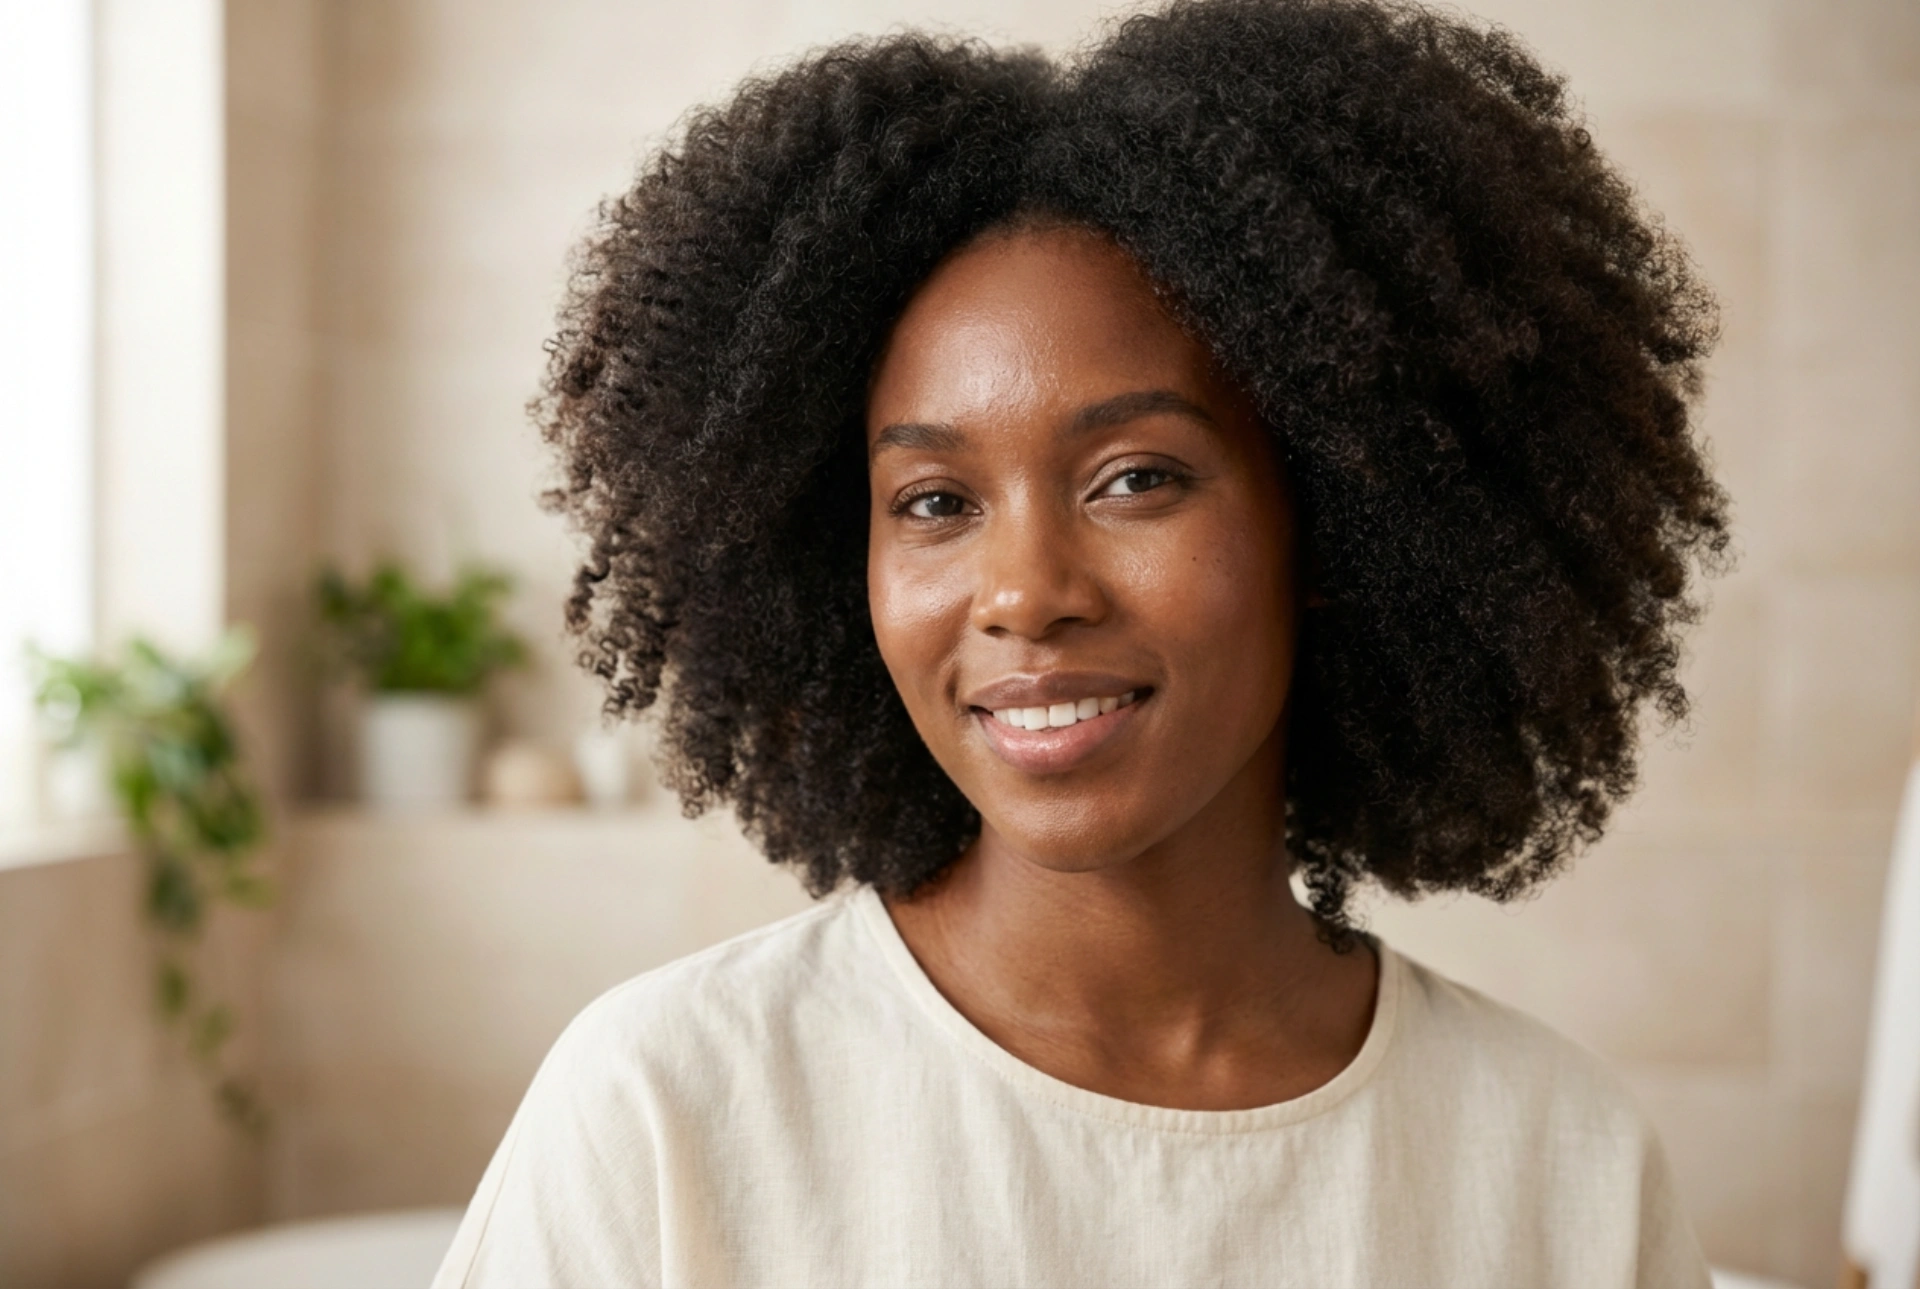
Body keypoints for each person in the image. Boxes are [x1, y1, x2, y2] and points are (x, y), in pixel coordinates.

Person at [433, 1, 1729, 1284]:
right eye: (936, 503)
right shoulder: (666, 1111)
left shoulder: (1563, 1169)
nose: (1025, 592)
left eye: (1134, 479)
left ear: (1338, 522)